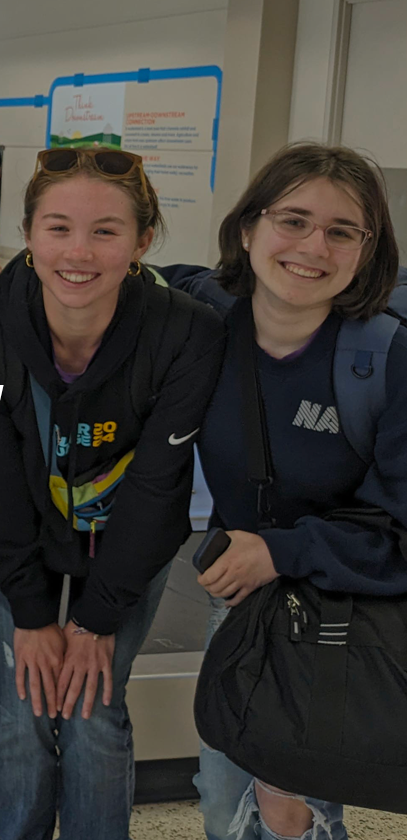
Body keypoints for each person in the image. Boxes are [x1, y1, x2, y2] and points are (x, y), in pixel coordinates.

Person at [0, 147, 225, 839]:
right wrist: (33, 613)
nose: (79, 251)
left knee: (93, 701)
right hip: (20, 531)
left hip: (126, 535)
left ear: (142, 240)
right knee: (22, 695)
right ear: (28, 232)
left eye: (106, 230)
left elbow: (159, 489)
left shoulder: (186, 332)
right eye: (58, 227)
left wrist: (96, 621)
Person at [184, 143, 407, 840]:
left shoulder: (385, 357)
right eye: (295, 221)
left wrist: (279, 552)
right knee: (225, 804)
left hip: (342, 605)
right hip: (245, 604)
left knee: (291, 812)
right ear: (248, 228)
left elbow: (398, 527)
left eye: (343, 231)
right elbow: (105, 273)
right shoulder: (200, 318)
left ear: (367, 252)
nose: (314, 246)